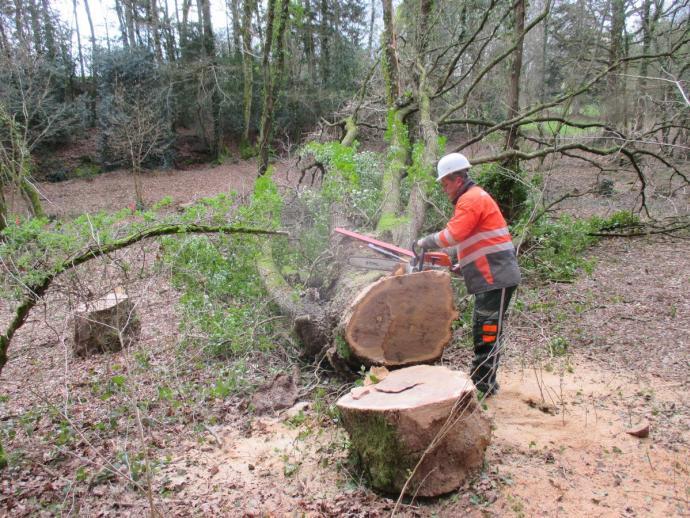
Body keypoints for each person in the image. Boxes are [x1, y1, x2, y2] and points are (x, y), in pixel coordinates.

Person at [416, 152, 521, 396]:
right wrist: (463, 266)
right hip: (493, 275)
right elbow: (478, 239)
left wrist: (425, 241)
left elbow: (454, 235)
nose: (444, 189)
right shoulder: (473, 198)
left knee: (486, 329)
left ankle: (483, 385)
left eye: (445, 183)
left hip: (496, 276)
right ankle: (486, 382)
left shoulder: (471, 199)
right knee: (486, 328)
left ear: (458, 180)